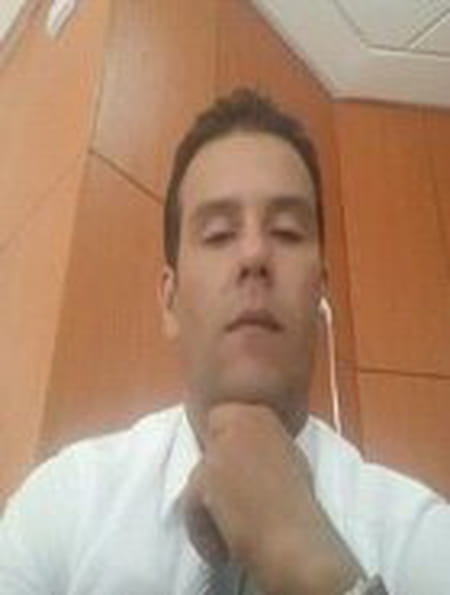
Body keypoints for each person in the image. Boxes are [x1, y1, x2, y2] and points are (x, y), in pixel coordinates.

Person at [0, 89, 449, 594]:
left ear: (320, 294)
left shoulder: (422, 538)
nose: (254, 254)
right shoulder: (65, 505)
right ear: (169, 301)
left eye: (286, 231)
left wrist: (320, 574)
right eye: (217, 234)